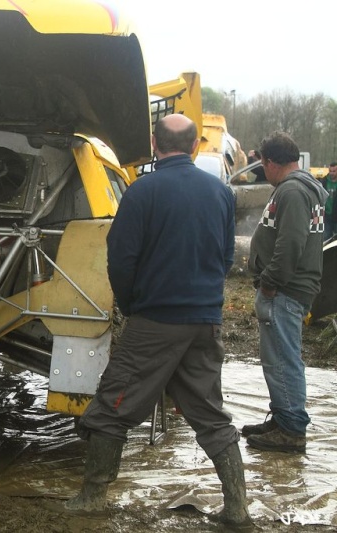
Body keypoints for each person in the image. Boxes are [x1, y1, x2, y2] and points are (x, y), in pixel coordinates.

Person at [64, 114, 251, 528]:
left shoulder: (142, 191)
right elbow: (225, 257)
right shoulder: (220, 193)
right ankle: (237, 506)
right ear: (195, 145)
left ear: (154, 142)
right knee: (209, 411)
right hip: (204, 321)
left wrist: (132, 306)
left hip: (155, 320)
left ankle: (93, 495)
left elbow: (122, 259)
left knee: (113, 404)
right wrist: (205, 298)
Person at [243, 131, 327, 454]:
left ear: (270, 162)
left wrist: (269, 281)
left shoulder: (292, 191)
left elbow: (290, 243)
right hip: (289, 288)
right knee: (278, 356)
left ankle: (291, 428)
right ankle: (282, 417)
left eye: (262, 164)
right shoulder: (302, 188)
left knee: (282, 358)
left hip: (284, 290)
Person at [321, 162, 337, 242]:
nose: (331, 173)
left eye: (334, 171)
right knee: (326, 238)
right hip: (326, 215)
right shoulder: (323, 181)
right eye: (330, 171)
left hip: (336, 215)